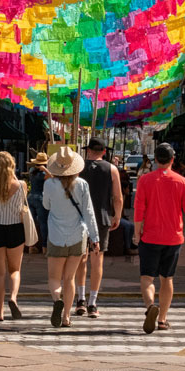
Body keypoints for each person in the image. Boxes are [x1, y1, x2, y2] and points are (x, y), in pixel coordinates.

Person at [134, 143, 185, 334]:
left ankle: (150, 307)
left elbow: (139, 210)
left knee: (147, 278)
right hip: (173, 238)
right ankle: (162, 319)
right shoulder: (181, 182)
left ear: (155, 159)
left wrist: (136, 232)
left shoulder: (145, 181)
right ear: (173, 160)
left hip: (150, 236)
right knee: (167, 278)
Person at [42, 146, 100, 328]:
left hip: (56, 235)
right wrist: (95, 237)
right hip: (77, 236)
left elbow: (46, 205)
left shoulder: (49, 184)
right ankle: (67, 316)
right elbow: (89, 212)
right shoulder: (82, 184)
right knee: (70, 278)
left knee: (54, 278)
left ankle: (56, 299)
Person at [75, 137, 124, 318]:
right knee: (98, 260)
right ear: (104, 152)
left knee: (81, 258)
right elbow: (118, 197)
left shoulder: (78, 168)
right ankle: (92, 303)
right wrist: (117, 215)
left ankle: (80, 299)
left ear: (88, 151)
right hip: (101, 218)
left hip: (79, 218)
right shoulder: (112, 169)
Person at [0, 151, 26, 322]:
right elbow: (24, 201)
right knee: (14, 269)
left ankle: (0, 312)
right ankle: (13, 298)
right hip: (15, 228)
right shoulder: (21, 185)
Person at [27, 152, 52, 254]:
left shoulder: (32, 170)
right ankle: (44, 248)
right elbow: (53, 178)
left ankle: (31, 246)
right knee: (43, 223)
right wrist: (46, 169)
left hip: (30, 197)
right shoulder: (43, 174)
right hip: (40, 199)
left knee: (31, 223)